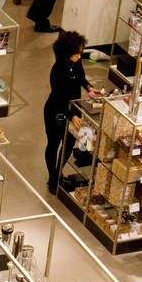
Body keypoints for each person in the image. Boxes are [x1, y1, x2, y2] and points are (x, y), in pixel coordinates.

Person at [43, 30, 95, 195]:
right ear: (66, 52)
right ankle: (53, 178)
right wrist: (70, 115)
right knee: (53, 144)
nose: (79, 56)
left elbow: (80, 77)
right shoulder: (57, 70)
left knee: (68, 143)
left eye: (81, 52)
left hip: (73, 111)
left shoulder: (76, 63)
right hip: (56, 112)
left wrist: (89, 87)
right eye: (76, 53)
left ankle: (58, 173)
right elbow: (58, 97)